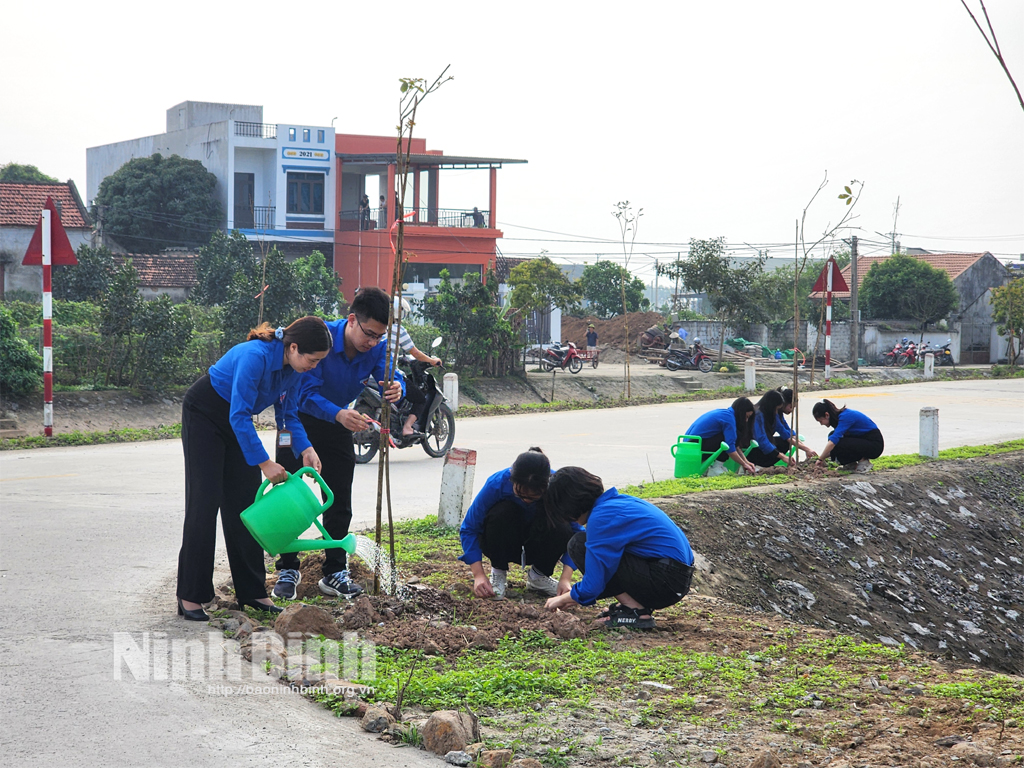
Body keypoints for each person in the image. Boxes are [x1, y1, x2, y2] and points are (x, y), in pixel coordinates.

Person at [176, 316, 333, 621]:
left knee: (246, 506)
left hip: (237, 423)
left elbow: (288, 416)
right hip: (205, 415)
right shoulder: (255, 357)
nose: (313, 367)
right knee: (204, 503)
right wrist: (264, 462)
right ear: (294, 347)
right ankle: (190, 595)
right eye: (312, 360)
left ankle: (252, 591)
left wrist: (305, 447)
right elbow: (239, 415)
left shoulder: (295, 370)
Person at [271, 288, 404, 601]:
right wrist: (339, 413)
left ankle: (334, 571)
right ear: (352, 320)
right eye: (368, 334)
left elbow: (391, 371)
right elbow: (303, 394)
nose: (372, 342)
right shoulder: (322, 339)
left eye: (379, 336)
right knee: (286, 494)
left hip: (338, 424)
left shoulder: (377, 348)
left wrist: (398, 384)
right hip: (297, 420)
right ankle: (287, 567)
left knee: (339, 496)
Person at [542, 467, 695, 630]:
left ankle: (636, 611)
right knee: (591, 548)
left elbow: (594, 584)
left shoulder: (601, 517)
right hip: (675, 578)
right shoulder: (616, 503)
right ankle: (634, 606)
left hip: (665, 582)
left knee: (579, 545)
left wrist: (563, 599)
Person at [459, 448, 577, 599]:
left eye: (533, 497)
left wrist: (565, 578)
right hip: (504, 540)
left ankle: (538, 576)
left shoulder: (556, 488)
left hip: (538, 543)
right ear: (512, 480)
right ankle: (498, 571)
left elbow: (577, 532)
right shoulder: (497, 484)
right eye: (520, 495)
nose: (526, 500)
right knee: (502, 511)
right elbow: (469, 528)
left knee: (562, 524)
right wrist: (479, 575)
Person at [388, 296, 441, 438]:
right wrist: (432, 361)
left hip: (370, 373)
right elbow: (415, 353)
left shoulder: (377, 328)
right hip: (389, 373)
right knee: (420, 399)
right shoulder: (398, 330)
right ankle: (407, 427)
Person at [684, 397, 757, 476]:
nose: (746, 421)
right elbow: (731, 449)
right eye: (746, 417)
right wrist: (744, 464)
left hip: (689, 447)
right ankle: (716, 467)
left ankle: (714, 467)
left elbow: (736, 446)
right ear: (741, 413)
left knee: (733, 437)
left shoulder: (725, 414)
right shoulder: (729, 419)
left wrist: (746, 462)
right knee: (732, 437)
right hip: (694, 447)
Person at [812, 399, 884, 473]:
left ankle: (864, 462)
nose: (821, 424)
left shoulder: (845, 417)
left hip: (874, 444)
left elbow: (833, 442)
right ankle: (850, 464)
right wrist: (823, 456)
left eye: (820, 421)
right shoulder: (839, 419)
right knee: (833, 436)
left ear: (827, 415)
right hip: (863, 440)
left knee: (837, 441)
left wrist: (820, 459)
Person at [748, 390, 798, 468]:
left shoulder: (770, 414)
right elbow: (762, 440)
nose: (776, 412)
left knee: (783, 443)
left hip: (760, 445)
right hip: (752, 448)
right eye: (776, 409)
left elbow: (785, 430)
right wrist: (782, 456)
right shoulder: (758, 415)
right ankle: (761, 465)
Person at [776, 388, 818, 459]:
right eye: (791, 407)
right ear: (784, 403)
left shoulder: (779, 413)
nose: (791, 410)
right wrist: (807, 449)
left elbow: (789, 431)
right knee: (785, 443)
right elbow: (786, 435)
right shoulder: (774, 414)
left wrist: (807, 449)